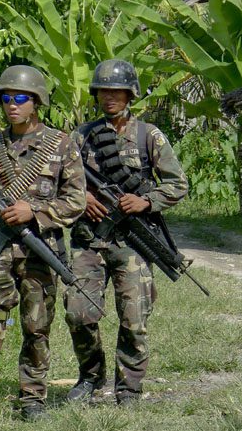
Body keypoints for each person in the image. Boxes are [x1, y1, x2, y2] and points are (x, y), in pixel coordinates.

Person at [0, 65, 86, 420]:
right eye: (6, 98)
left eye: (21, 98)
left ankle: (32, 400)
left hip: (41, 251)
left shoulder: (61, 145)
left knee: (36, 329)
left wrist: (34, 210)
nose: (13, 104)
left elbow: (76, 202)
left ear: (36, 101)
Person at [64, 59, 189, 405]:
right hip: (88, 241)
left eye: (117, 91)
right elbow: (61, 183)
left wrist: (146, 202)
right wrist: (83, 198)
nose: (110, 97)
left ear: (130, 93)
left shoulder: (148, 136)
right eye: (104, 91)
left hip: (131, 242)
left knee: (134, 318)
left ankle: (129, 386)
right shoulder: (81, 137)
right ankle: (90, 378)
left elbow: (179, 185)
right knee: (78, 311)